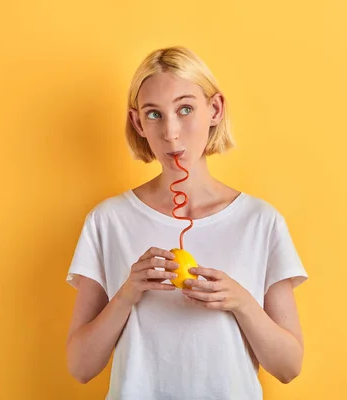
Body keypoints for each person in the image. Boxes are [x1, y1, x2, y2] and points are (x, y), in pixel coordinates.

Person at [65, 46, 309, 400]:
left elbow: (289, 368)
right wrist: (127, 293)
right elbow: (80, 368)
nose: (171, 132)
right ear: (137, 123)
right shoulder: (107, 221)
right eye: (154, 114)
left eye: (185, 109)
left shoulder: (261, 222)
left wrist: (240, 301)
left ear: (215, 109)